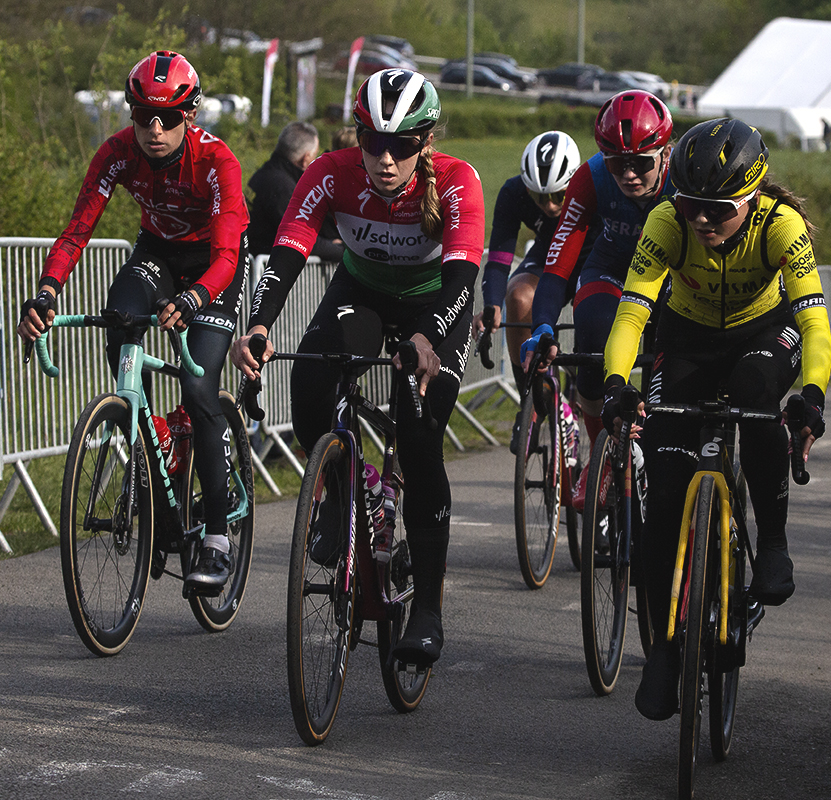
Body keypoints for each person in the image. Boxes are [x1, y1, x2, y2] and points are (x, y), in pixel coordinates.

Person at [230, 69, 485, 667]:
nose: (385, 159)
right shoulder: (330, 172)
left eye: (402, 146)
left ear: (426, 142)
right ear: (358, 136)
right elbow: (286, 252)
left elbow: (461, 279)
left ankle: (427, 610)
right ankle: (347, 491)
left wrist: (426, 336)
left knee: (418, 435)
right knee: (311, 380)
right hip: (362, 293)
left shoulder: (457, 179)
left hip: (436, 304)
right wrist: (260, 324)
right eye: (373, 142)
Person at [600, 118, 831, 720]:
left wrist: (812, 394)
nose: (702, 221)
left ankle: (773, 543)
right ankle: (663, 648)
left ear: (750, 198)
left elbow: (813, 322)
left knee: (757, 396)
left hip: (764, 333)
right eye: (690, 205)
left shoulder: (780, 225)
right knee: (663, 496)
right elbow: (631, 314)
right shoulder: (666, 221)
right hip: (687, 338)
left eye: (719, 210)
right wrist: (616, 384)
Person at [17, 50, 250, 593]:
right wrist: (47, 292)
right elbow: (77, 231)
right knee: (118, 320)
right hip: (157, 253)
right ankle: (155, 439)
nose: (154, 130)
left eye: (167, 118)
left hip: (214, 265)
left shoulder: (217, 161)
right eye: (143, 116)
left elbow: (226, 256)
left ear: (189, 115)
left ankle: (217, 537)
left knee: (198, 386)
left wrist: (195, 298)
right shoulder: (117, 153)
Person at [522, 89, 675, 508]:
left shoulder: (683, 177)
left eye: (641, 163)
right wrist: (542, 327)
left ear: (665, 153)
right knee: (591, 334)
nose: (629, 174)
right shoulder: (590, 177)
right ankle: (603, 453)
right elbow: (557, 268)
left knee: (672, 356)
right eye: (617, 163)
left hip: (672, 275)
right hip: (612, 265)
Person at [473, 131, 593, 414]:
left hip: (589, 259)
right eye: (539, 197)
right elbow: (499, 258)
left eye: (558, 195)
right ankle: (530, 398)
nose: (549, 205)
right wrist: (492, 303)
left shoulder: (593, 187)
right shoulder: (513, 192)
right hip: (548, 254)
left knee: (590, 315)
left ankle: (583, 390)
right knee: (517, 297)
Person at [246, 121, 342, 261]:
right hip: (267, 265)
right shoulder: (282, 187)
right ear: (305, 158)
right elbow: (298, 238)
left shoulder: (265, 174)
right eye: (315, 155)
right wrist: (341, 250)